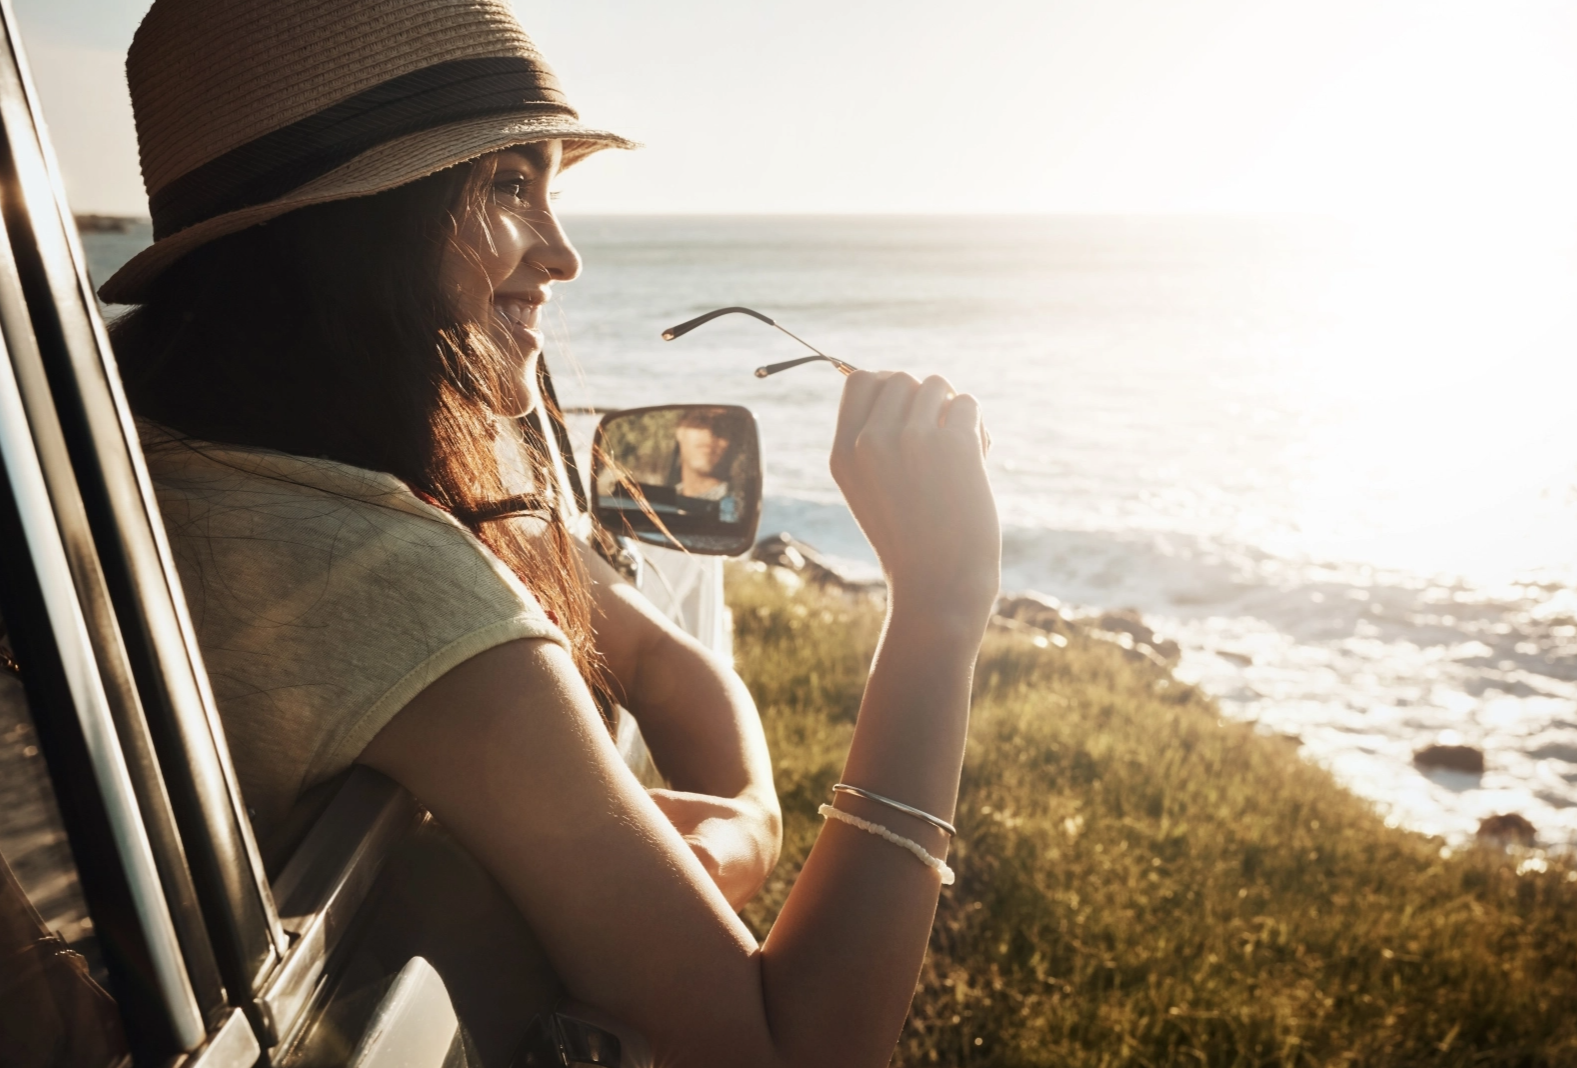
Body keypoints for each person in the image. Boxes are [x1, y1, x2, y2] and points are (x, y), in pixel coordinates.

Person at [102, 1, 1000, 1065]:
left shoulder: (170, 474)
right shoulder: (373, 568)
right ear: (353, 226)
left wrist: (749, 821)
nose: (564, 257)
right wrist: (939, 612)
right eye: (506, 185)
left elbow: (659, 663)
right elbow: (791, 1051)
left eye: (549, 190)